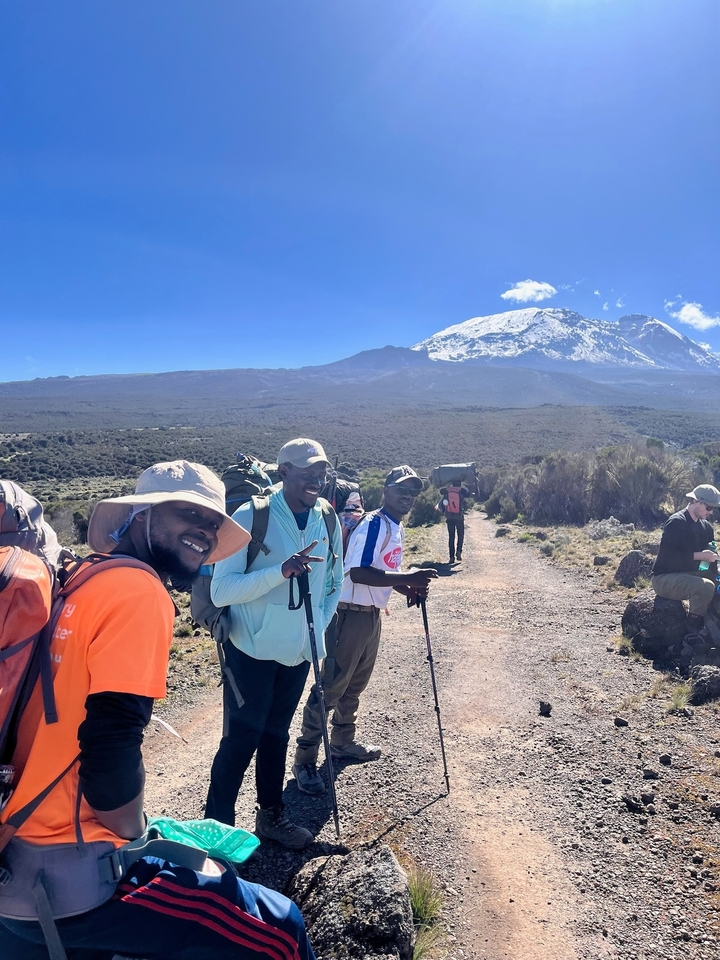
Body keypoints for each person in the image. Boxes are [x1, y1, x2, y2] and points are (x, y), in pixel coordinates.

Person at [0, 460, 317, 960]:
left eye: (213, 523)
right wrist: (134, 836)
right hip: (75, 880)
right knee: (280, 930)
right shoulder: (138, 589)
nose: (206, 531)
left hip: (13, 867)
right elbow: (112, 744)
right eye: (189, 513)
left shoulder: (78, 579)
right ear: (141, 515)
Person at [206, 439, 343, 848]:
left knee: (276, 735)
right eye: (306, 472)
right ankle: (217, 835)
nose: (316, 479)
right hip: (249, 651)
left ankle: (271, 818)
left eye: (320, 471)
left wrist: (317, 625)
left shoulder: (328, 517)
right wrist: (280, 572)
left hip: (299, 653)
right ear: (283, 472)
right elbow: (221, 590)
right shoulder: (252, 516)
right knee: (240, 741)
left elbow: (334, 581)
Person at [293, 466, 438, 796]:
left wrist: (406, 588)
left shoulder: (394, 526)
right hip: (347, 616)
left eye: (413, 491)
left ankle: (343, 741)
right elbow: (357, 573)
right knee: (331, 686)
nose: (408, 495)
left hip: (370, 615)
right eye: (401, 488)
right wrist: (408, 577)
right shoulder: (373, 524)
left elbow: (381, 570)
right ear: (385, 490)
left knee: (354, 684)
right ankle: (305, 760)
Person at [652, 483, 720, 631]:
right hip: (664, 578)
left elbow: (710, 560)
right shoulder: (677, 522)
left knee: (716, 582)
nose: (711, 511)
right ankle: (692, 633)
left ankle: (713, 629)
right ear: (696, 501)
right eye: (708, 507)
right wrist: (700, 556)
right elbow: (667, 558)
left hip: (688, 573)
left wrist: (715, 570)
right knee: (705, 587)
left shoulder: (706, 527)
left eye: (713, 508)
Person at [437, 483, 471, 563]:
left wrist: (447, 486)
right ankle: (459, 551)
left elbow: (440, 491)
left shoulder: (446, 490)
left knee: (451, 537)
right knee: (460, 534)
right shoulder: (462, 490)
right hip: (459, 517)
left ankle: (451, 557)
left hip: (449, 517)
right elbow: (469, 494)